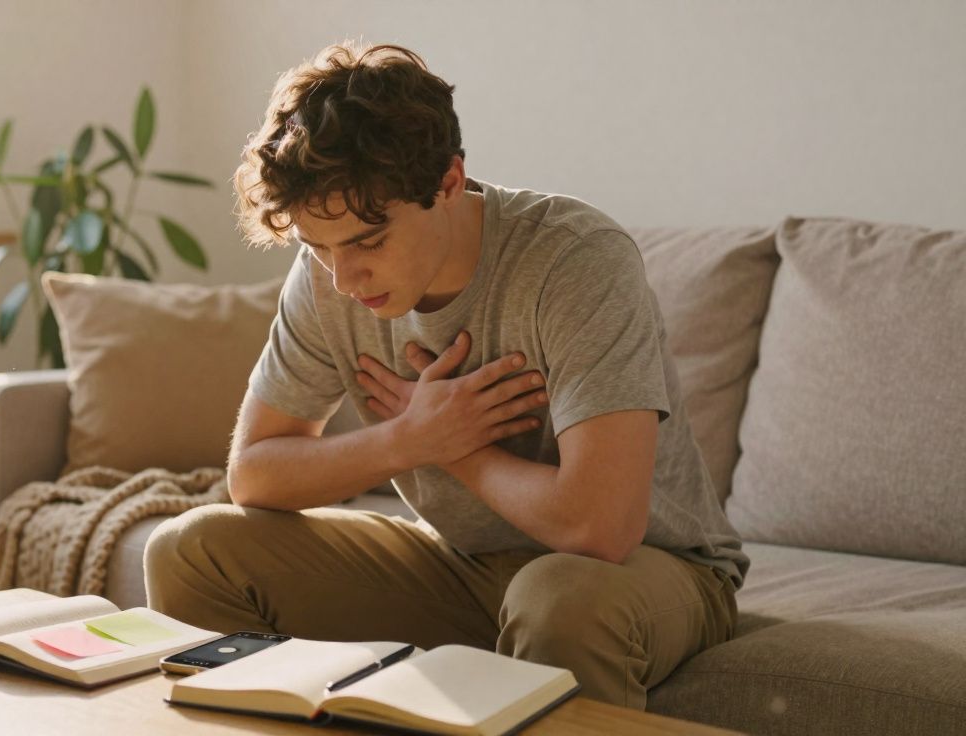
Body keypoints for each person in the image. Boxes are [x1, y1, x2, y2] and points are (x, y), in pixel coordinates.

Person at [144, 41, 747, 710]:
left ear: (449, 183)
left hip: (644, 573)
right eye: (319, 248)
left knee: (558, 601)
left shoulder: (575, 260)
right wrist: (410, 440)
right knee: (190, 548)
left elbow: (599, 529)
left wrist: (458, 449)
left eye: (368, 242)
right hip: (466, 569)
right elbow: (253, 475)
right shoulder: (324, 278)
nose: (344, 279)